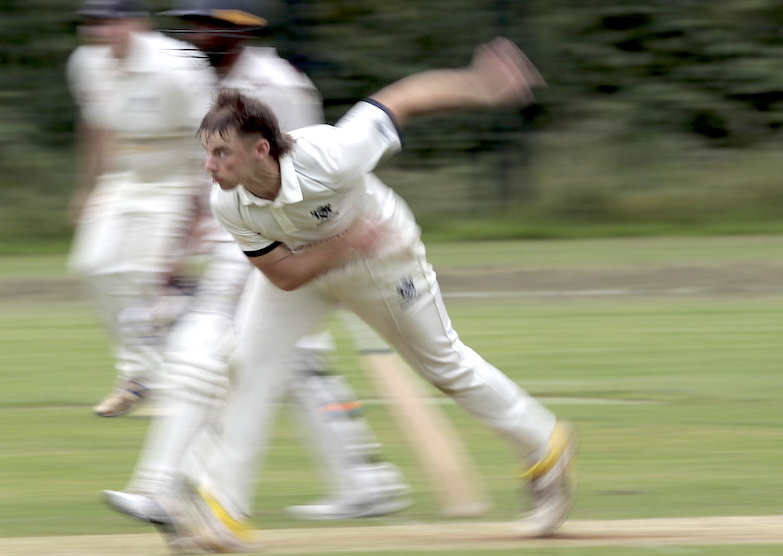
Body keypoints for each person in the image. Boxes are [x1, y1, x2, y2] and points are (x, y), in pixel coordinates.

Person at [157, 38, 578, 553]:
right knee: (249, 363)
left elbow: (400, 100)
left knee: (445, 365)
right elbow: (284, 276)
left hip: (382, 260)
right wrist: (341, 245)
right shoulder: (229, 203)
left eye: (221, 153)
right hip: (314, 264)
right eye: (207, 153)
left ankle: (546, 447)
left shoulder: (330, 153)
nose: (209, 166)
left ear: (260, 149)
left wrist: (481, 86)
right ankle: (223, 514)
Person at [102, 0, 411, 526]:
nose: (196, 36)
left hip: (279, 236)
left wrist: (314, 250)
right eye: (193, 25)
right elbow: (202, 173)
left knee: (204, 351)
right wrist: (180, 250)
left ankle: (162, 488)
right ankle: (367, 483)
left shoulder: (276, 85)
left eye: (207, 27)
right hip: (237, 233)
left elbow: (315, 173)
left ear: (237, 31)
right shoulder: (202, 82)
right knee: (289, 362)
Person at [65, 0, 216, 417]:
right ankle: (141, 377)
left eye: (113, 22)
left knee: (143, 276)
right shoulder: (86, 62)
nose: (103, 32)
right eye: (95, 23)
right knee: (93, 267)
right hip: (123, 176)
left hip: (175, 179)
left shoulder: (177, 65)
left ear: (137, 23)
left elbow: (207, 135)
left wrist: (200, 210)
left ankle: (167, 378)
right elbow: (95, 126)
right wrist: (87, 187)